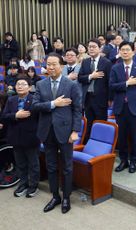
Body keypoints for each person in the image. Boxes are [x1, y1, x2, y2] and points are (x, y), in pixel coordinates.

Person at [32, 53, 82, 214]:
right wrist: (54, 103)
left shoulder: (71, 84)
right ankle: (55, 196)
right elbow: (35, 106)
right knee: (51, 166)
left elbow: (77, 109)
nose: (51, 67)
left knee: (67, 167)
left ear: (61, 65)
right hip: (47, 131)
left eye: (54, 64)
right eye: (49, 64)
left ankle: (66, 197)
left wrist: (75, 131)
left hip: (66, 131)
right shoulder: (40, 84)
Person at [110, 41, 136, 173]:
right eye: (122, 50)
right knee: (121, 136)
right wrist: (127, 83)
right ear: (119, 52)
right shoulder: (115, 68)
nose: (125, 52)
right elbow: (112, 86)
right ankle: (123, 160)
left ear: (133, 52)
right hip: (120, 107)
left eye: (127, 50)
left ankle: (133, 161)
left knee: (135, 136)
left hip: (135, 107)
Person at [2, 76, 40, 198]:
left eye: (23, 84)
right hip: (15, 137)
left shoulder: (35, 100)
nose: (20, 86)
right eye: (18, 84)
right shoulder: (11, 99)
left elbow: (40, 120)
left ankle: (33, 186)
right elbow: (4, 117)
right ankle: (23, 184)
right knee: (20, 163)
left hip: (31, 137)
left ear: (29, 87)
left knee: (33, 164)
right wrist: (16, 115)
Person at [78, 38, 112, 141]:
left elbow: (109, 82)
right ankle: (87, 144)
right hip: (88, 97)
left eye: (94, 47)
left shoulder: (106, 62)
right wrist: (91, 76)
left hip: (101, 98)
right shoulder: (85, 62)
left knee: (101, 123)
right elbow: (80, 78)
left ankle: (100, 144)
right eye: (90, 47)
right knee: (89, 123)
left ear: (100, 48)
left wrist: (110, 98)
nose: (91, 49)